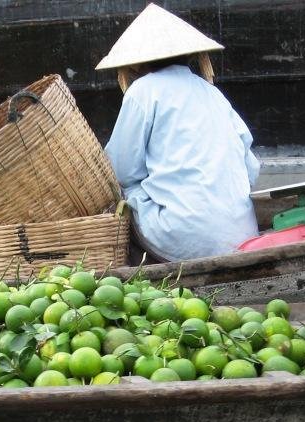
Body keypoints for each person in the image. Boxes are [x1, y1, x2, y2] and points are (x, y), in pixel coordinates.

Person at [97, 3, 260, 263]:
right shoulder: (212, 93)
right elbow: (251, 169)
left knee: (126, 195)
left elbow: (121, 169)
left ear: (138, 64)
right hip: (241, 233)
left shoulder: (143, 91)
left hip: (181, 237)